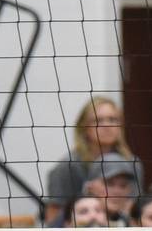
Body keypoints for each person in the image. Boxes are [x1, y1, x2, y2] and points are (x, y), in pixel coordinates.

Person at [44, 96, 143, 224]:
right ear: (84, 128)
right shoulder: (68, 166)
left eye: (112, 120)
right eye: (98, 120)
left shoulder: (133, 163)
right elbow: (53, 219)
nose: (107, 125)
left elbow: (135, 213)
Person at [82, 152, 142, 227]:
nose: (117, 191)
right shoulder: (77, 221)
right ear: (90, 186)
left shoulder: (135, 222)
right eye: (109, 184)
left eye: (123, 185)